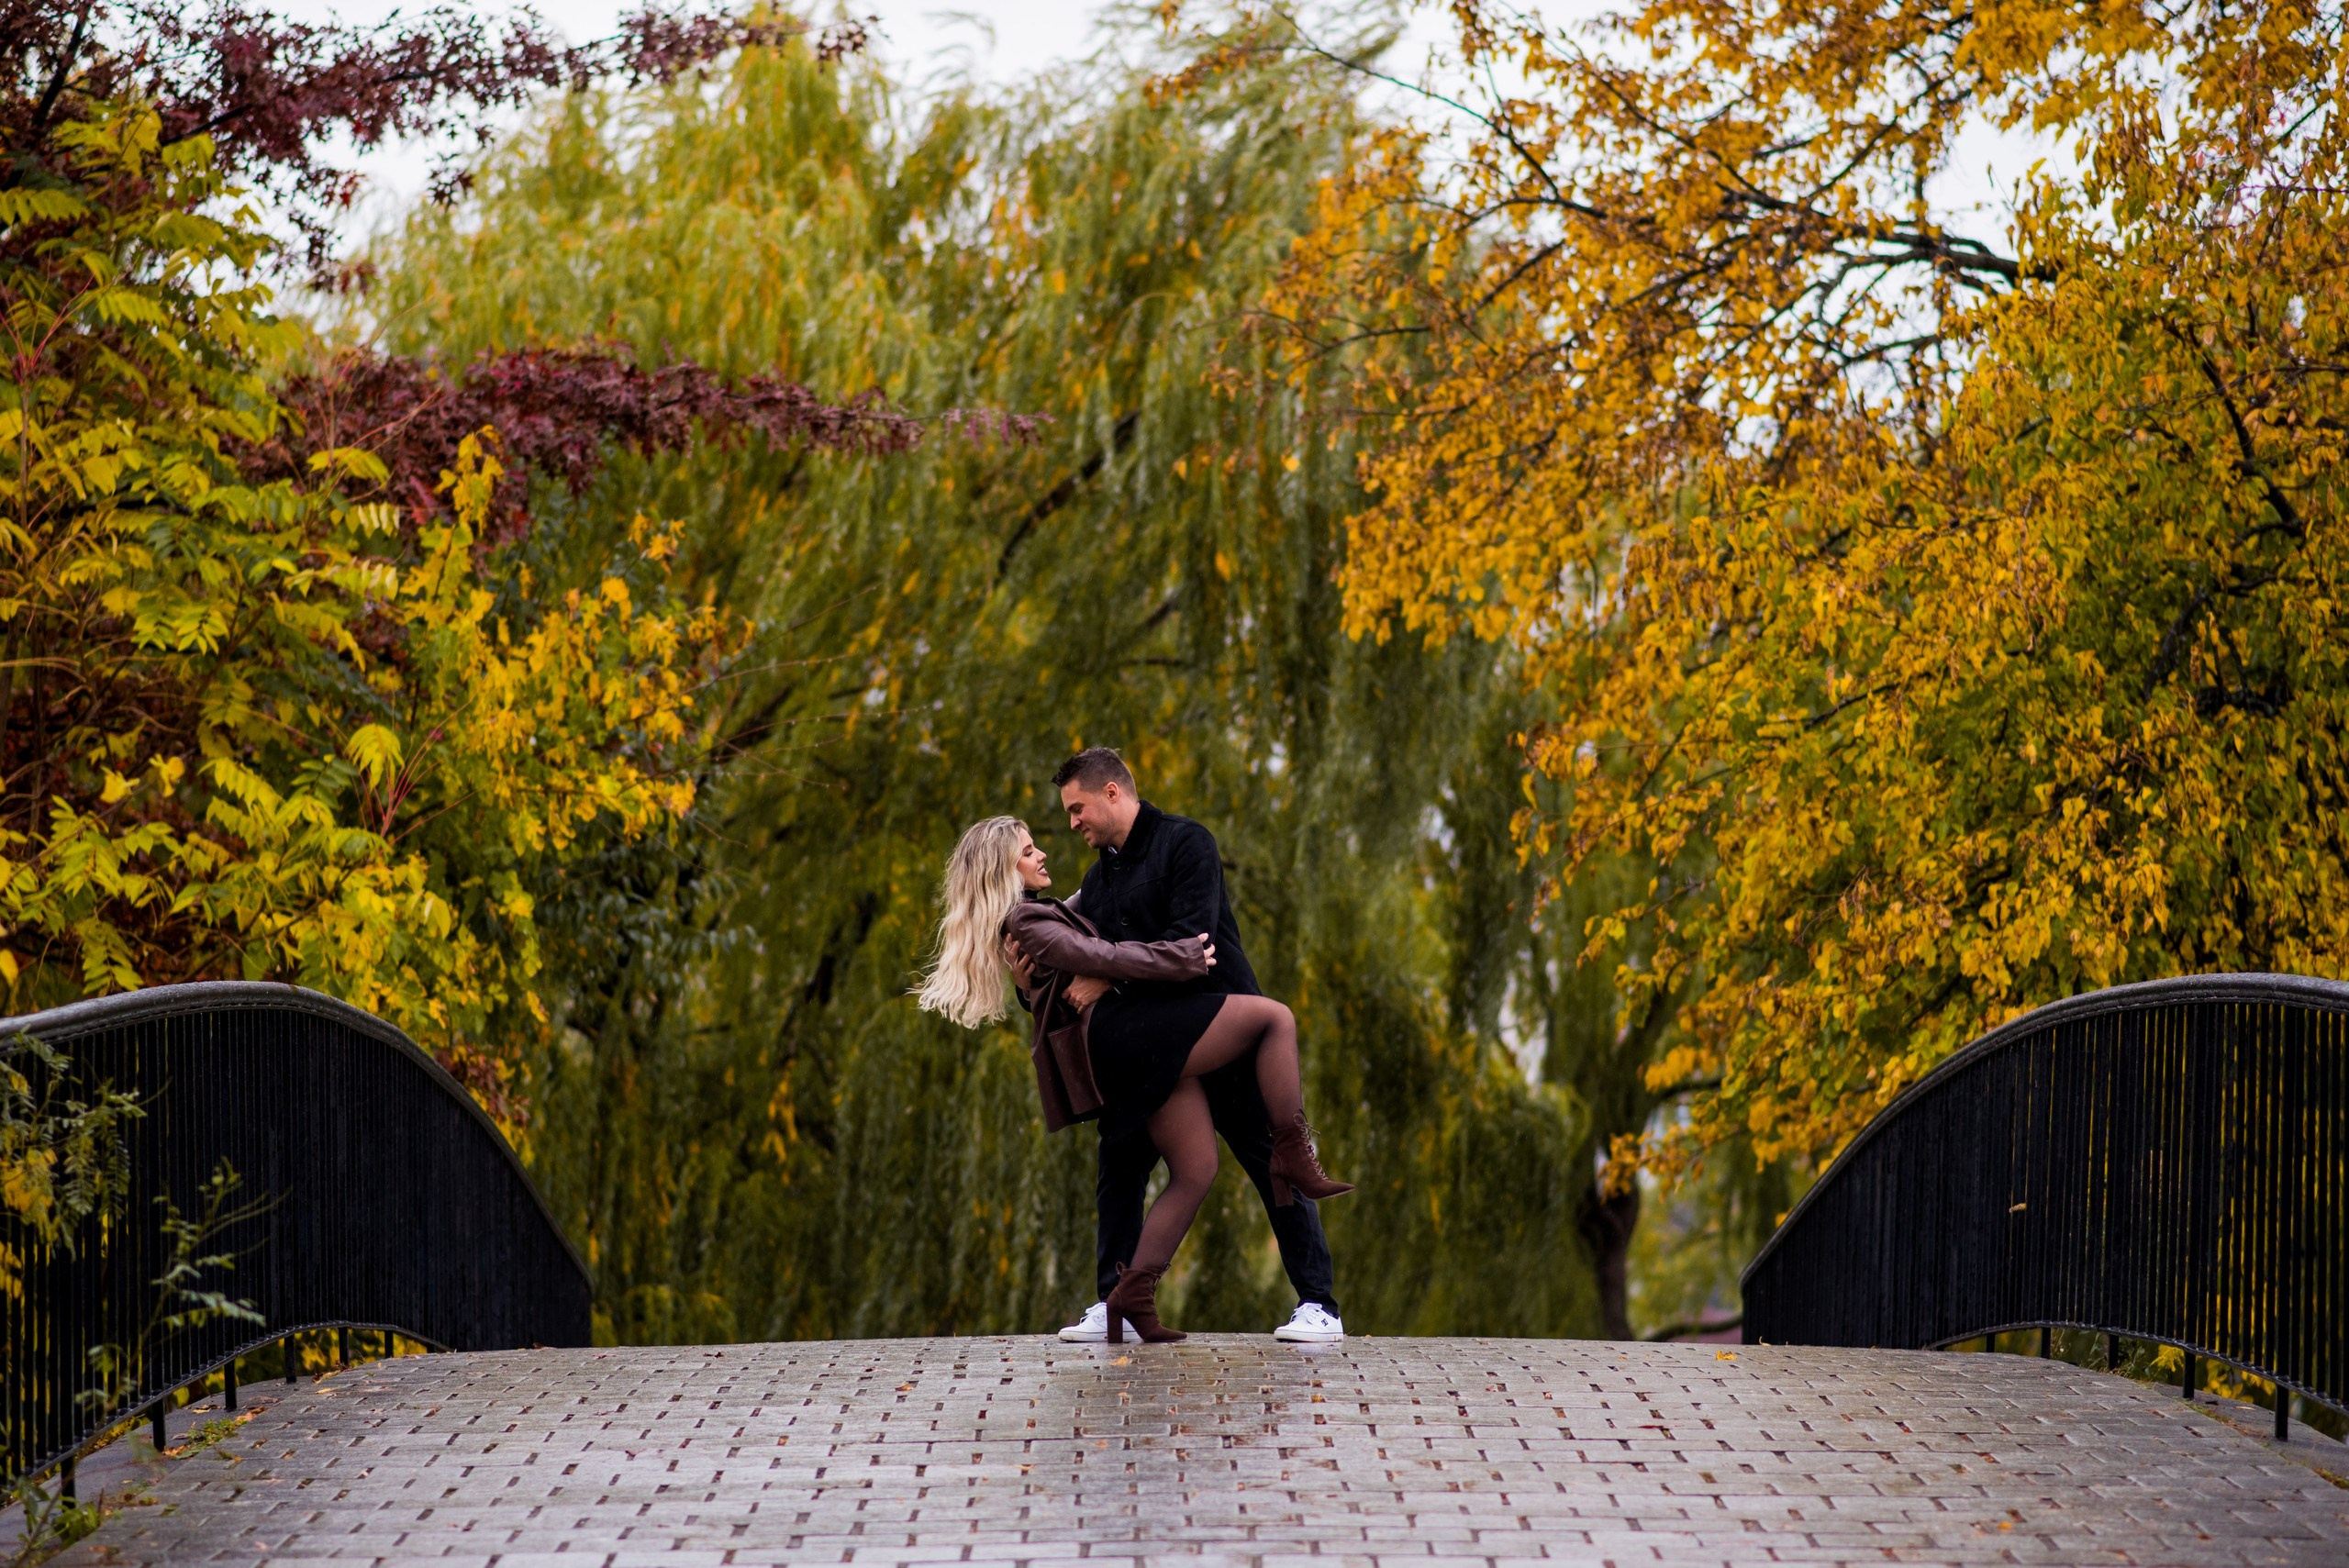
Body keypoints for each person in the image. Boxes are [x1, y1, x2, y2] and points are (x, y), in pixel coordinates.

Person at [917, 793, 1349, 1343]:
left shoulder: (1181, 845)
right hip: (1143, 1038)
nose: (1067, 830)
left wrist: (1103, 978)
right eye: (1031, 848)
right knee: (1123, 1169)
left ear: (1111, 794)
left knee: (1228, 1167)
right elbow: (1082, 967)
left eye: (1077, 810)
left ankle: (1316, 1303)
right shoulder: (1075, 894)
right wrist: (1035, 987)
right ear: (1006, 870)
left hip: (1205, 1021)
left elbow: (1141, 950)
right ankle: (1115, 1303)